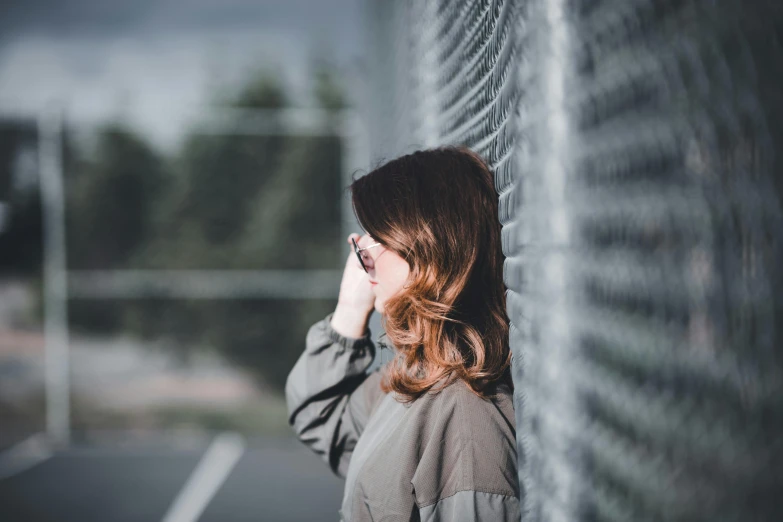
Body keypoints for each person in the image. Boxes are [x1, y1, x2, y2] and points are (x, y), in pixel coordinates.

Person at [285, 146, 520, 521]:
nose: (362, 265)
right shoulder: (415, 377)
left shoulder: (463, 423)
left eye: (368, 246)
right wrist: (349, 310)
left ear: (422, 250)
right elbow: (319, 417)